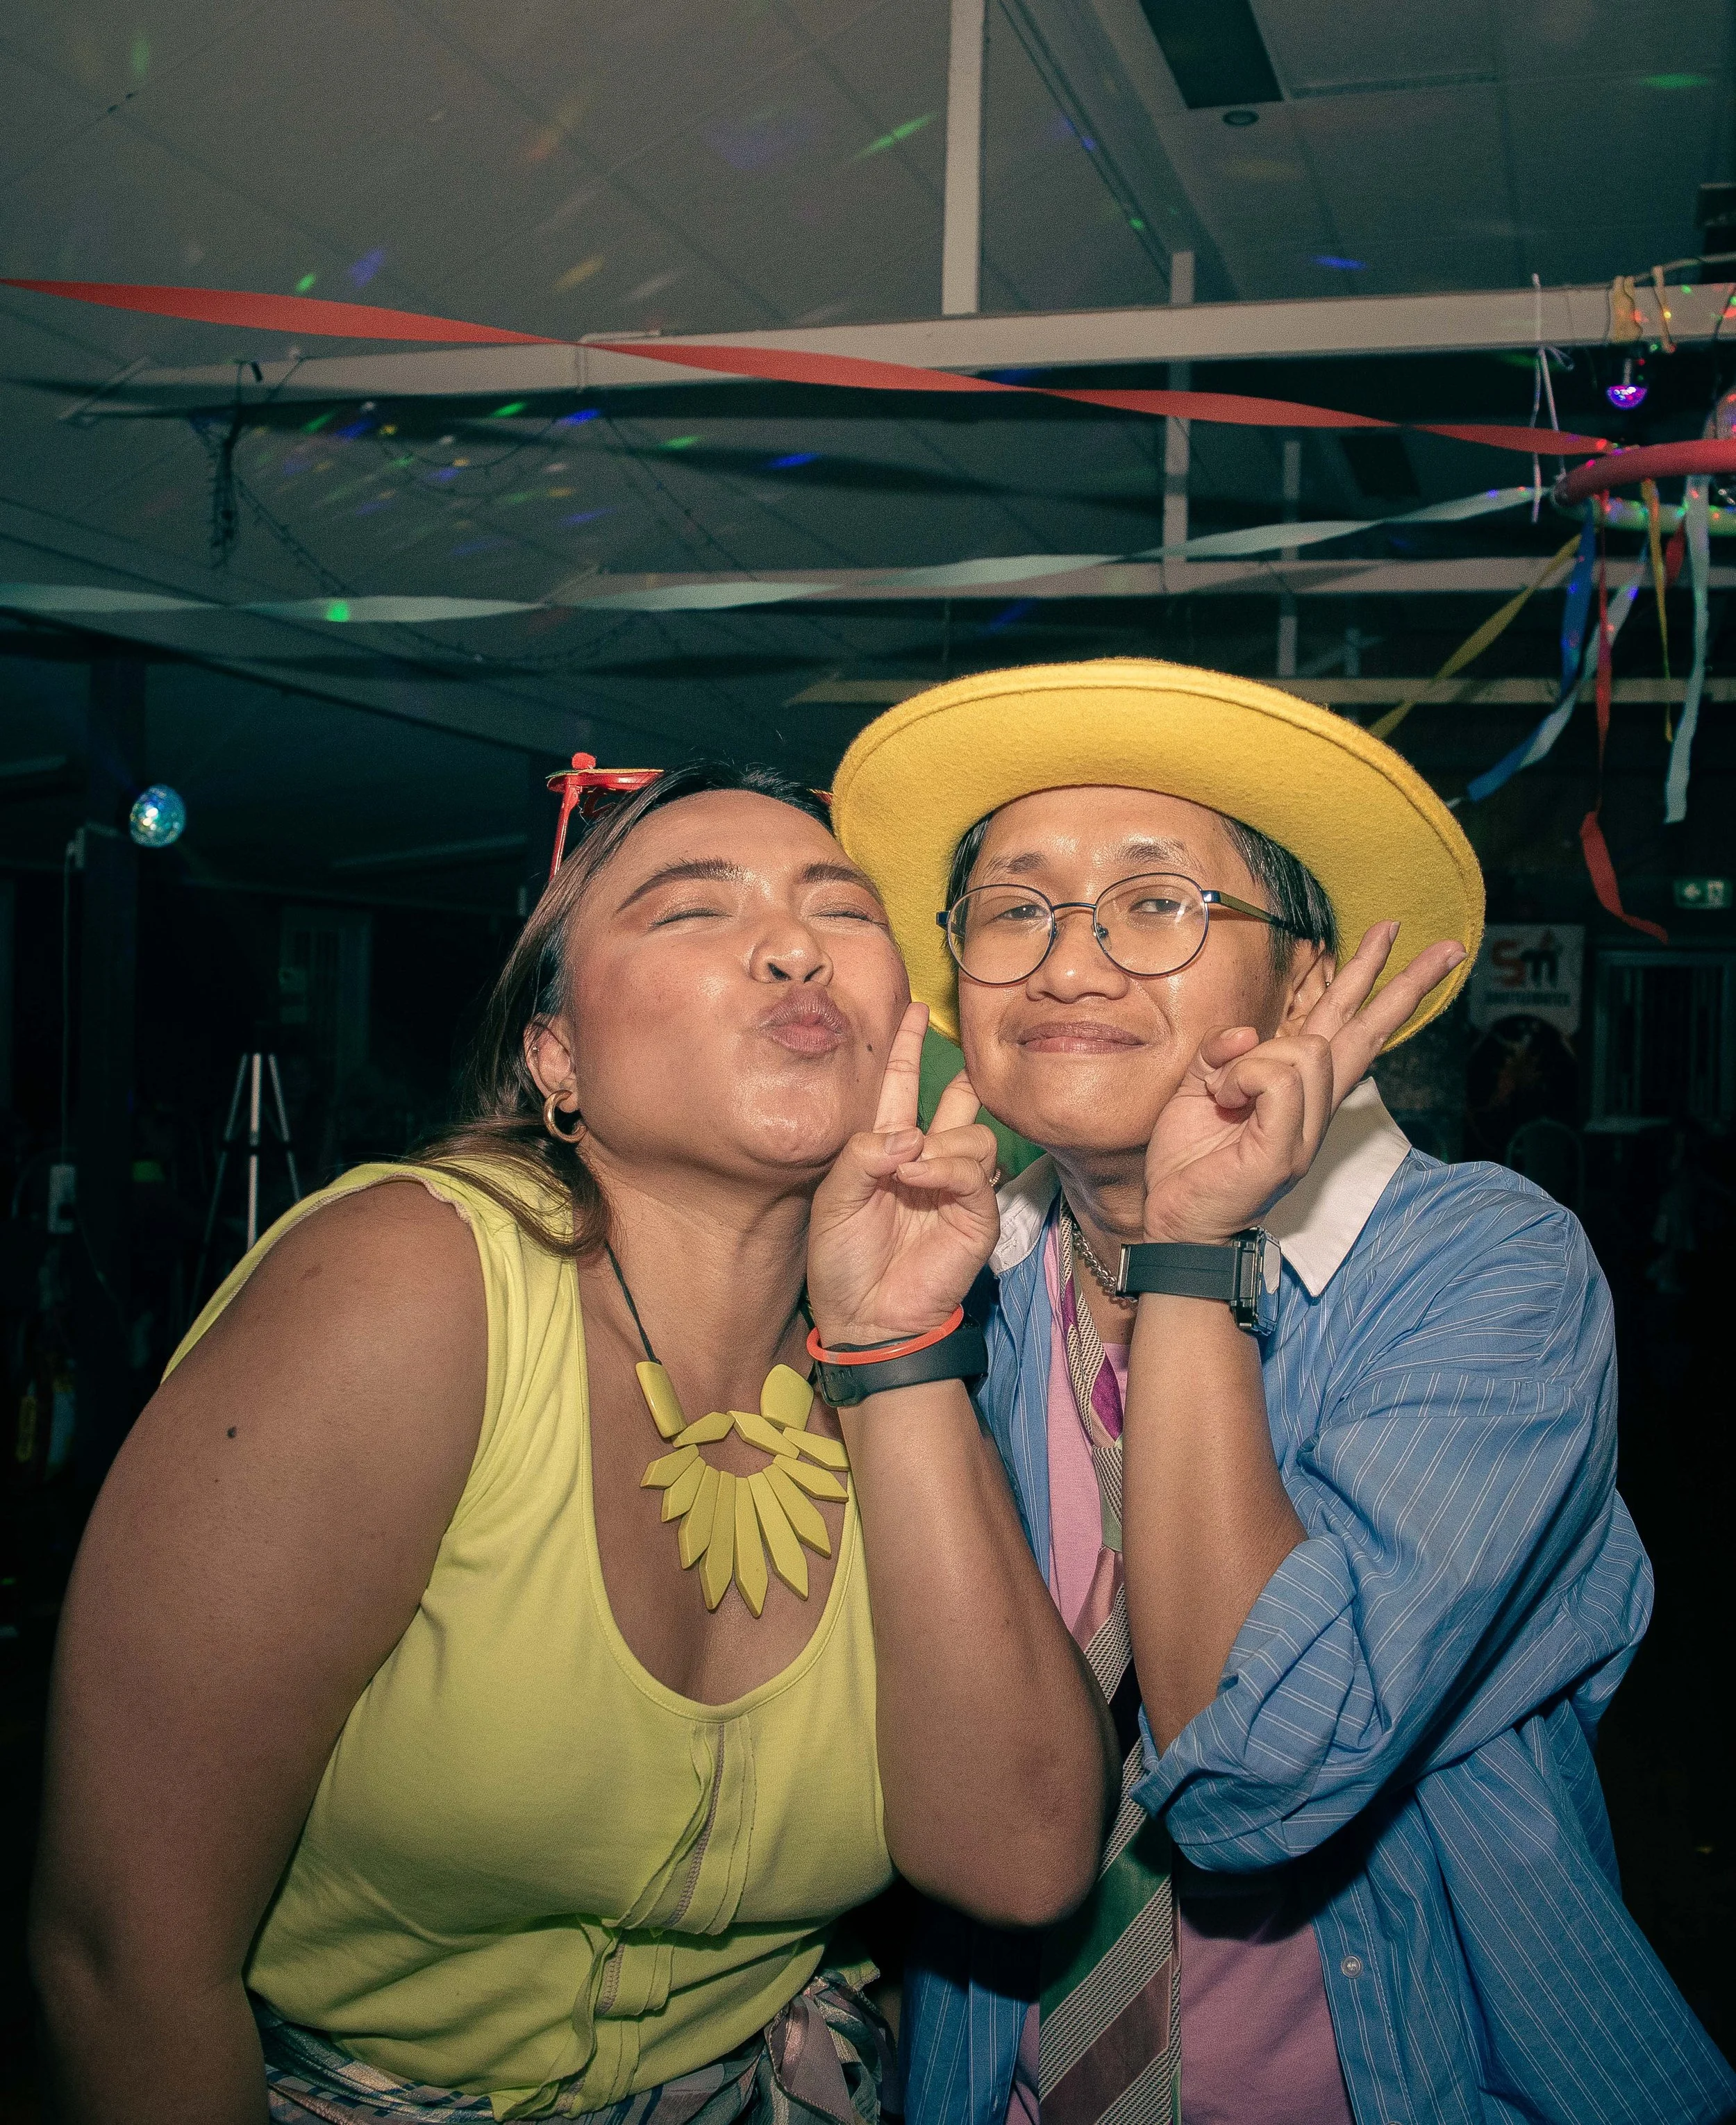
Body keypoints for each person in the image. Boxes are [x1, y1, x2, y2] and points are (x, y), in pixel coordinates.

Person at [31, 762, 1115, 2125]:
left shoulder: (937, 1332)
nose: (790, 944)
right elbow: (119, 1958)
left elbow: (1016, 1864)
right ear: (556, 1058)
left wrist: (893, 1346)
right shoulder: (405, 1292)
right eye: (688, 911)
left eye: (838, 909)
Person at [831, 661, 1736, 2125]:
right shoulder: (950, 1282)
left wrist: (1188, 1252)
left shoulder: (1482, 1271)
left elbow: (1258, 1774)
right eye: (1013, 908)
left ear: (1304, 981)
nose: (1068, 964)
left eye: (1153, 903)